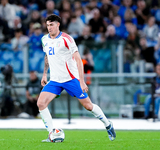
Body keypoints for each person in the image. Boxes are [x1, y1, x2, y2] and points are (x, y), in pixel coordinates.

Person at [38, 14, 116, 142]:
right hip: (55, 80)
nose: (49, 28)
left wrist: (82, 81)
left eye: (51, 25)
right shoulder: (44, 39)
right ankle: (51, 133)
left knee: (88, 106)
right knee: (41, 103)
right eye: (47, 25)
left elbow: (79, 60)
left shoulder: (67, 39)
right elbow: (47, 56)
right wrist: (45, 74)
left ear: (58, 25)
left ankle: (108, 124)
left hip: (71, 79)